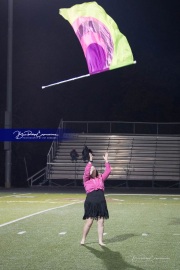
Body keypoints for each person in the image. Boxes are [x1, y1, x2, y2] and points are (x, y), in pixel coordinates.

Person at [80, 152, 111, 246]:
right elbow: (86, 170)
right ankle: (83, 239)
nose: (92, 168)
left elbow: (108, 171)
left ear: (96, 171)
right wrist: (90, 160)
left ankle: (100, 241)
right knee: (89, 222)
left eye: (93, 168)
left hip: (101, 202)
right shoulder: (86, 180)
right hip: (91, 202)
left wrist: (106, 160)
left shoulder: (101, 178)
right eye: (90, 168)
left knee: (101, 222)